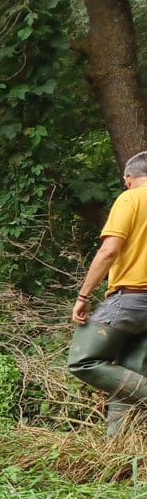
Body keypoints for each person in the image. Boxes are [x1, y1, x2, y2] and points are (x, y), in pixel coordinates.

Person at [69, 151, 147, 427]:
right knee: (129, 374)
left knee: (82, 361)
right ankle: (119, 451)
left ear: (128, 179)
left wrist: (83, 296)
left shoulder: (131, 198)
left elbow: (109, 251)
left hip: (132, 299)